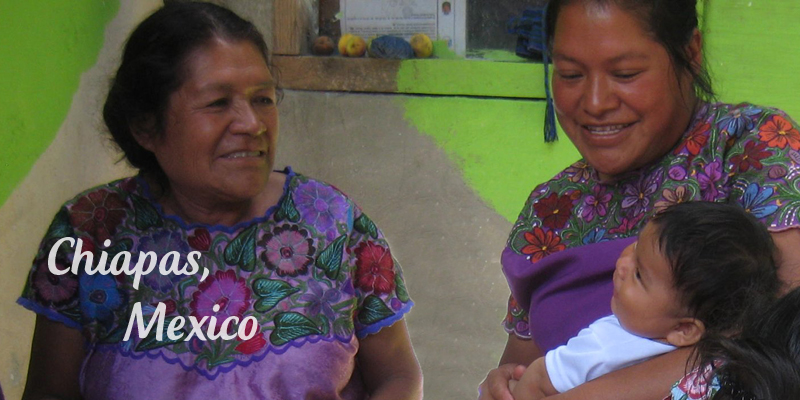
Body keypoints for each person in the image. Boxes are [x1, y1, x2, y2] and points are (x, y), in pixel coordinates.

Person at [17, 2, 422, 399]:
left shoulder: (333, 223)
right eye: (217, 103)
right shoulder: (91, 231)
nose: (252, 124)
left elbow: (400, 375)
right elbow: (49, 392)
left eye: (263, 98)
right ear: (145, 125)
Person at [478, 0, 800, 399]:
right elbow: (525, 361)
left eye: (625, 73)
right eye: (570, 74)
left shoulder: (750, 148)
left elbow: (782, 337)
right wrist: (504, 382)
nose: (595, 102)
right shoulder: (551, 209)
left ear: (691, 53)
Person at [511, 202, 781, 400]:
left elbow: (537, 380)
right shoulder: (721, 366)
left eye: (639, 274)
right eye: (636, 246)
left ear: (684, 329)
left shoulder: (604, 346)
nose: (622, 264)